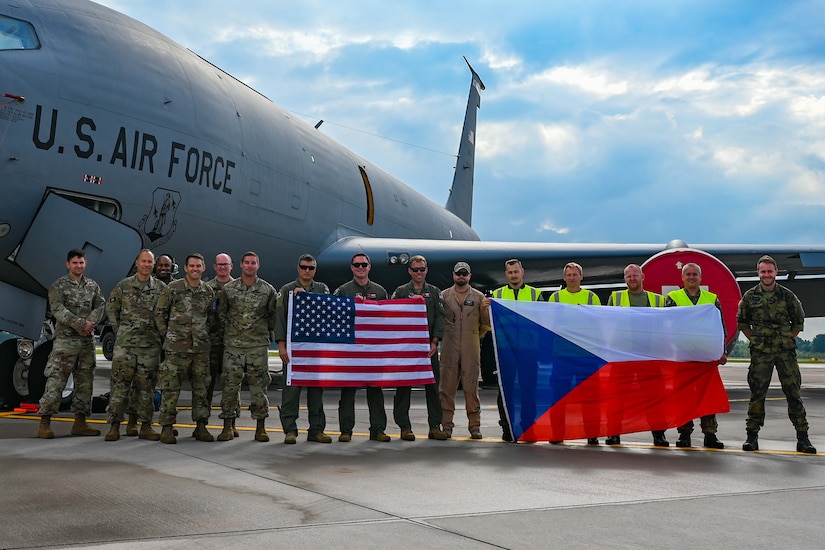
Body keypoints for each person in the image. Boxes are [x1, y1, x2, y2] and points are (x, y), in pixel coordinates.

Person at [737, 255, 816, 454]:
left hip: (785, 352)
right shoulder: (750, 297)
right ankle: (752, 436)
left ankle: (803, 437)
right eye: (763, 271)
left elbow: (798, 321)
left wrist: (786, 338)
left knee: (793, 393)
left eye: (769, 271)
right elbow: (743, 322)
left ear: (776, 272)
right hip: (761, 352)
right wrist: (755, 338)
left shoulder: (788, 296)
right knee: (757, 394)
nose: (766, 275)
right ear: (758, 273)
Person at [37, 248, 105, 439]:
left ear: (86, 264)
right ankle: (45, 422)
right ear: (68, 264)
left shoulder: (92, 286)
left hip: (86, 343)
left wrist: (90, 324)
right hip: (65, 343)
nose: (78, 266)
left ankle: (80, 423)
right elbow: (57, 309)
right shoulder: (58, 286)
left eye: (81, 262)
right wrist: (81, 324)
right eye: (75, 263)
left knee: (85, 383)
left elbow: (100, 305)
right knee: (56, 380)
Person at [103, 249, 166, 442]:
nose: (147, 265)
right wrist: (120, 329)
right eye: (144, 261)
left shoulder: (161, 288)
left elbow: (165, 313)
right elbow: (111, 308)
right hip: (126, 347)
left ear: (153, 265)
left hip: (149, 346)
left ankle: (144, 425)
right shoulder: (124, 285)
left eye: (150, 262)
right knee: (120, 386)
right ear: (137, 263)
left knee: (146, 388)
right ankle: (114, 426)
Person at [214, 252, 277, 442]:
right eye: (247, 263)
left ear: (258, 265)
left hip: (257, 346)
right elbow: (221, 314)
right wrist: (233, 332)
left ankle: (260, 427)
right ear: (240, 265)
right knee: (230, 387)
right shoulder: (229, 289)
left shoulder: (268, 290)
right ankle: (227, 426)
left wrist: (259, 333)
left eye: (253, 263)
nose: (250, 266)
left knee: (259, 388)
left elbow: (272, 317)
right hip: (234, 346)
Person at [605, 264, 669, 447]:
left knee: (654, 397)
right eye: (628, 276)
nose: (632, 279)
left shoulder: (658, 300)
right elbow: (606, 323)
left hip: (649, 357)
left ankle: (659, 434)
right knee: (617, 397)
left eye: (635, 276)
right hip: (622, 356)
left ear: (643, 276)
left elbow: (666, 328)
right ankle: (613, 433)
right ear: (624, 279)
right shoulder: (615, 298)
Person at [155, 253, 215, 444]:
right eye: (192, 266)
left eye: (198, 266)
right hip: (176, 349)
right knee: (171, 388)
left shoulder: (208, 292)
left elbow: (211, 318)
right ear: (186, 268)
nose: (195, 269)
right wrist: (169, 335)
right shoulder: (173, 289)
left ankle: (201, 426)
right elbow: (160, 314)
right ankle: (166, 427)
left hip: (200, 350)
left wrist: (203, 336)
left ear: (203, 268)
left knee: (202, 389)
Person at [665, 262, 726, 449]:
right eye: (688, 274)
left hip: (705, 358)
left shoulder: (712, 298)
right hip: (682, 357)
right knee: (683, 397)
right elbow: (667, 326)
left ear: (701, 278)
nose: (691, 277)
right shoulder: (672, 298)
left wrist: (722, 350)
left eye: (695, 274)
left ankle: (710, 435)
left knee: (707, 396)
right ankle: (684, 434)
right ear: (682, 278)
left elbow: (720, 327)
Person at [276, 254, 333, 444]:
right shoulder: (287, 290)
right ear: (298, 268)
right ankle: (290, 430)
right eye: (304, 267)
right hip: (294, 350)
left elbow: (328, 310)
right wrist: (281, 345)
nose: (307, 271)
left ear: (315, 270)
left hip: (315, 349)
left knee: (317, 392)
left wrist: (309, 297)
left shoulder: (322, 289)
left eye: (311, 268)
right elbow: (280, 319)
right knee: (291, 392)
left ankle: (316, 430)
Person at [334, 253, 391, 442]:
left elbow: (387, 319)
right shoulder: (343, 291)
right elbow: (335, 319)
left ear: (369, 267)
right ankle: (346, 430)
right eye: (357, 264)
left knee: (375, 390)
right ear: (351, 267)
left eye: (363, 264)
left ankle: (378, 429)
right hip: (351, 350)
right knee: (348, 391)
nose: (360, 267)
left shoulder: (380, 291)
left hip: (374, 350)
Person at [482, 258, 541, 442]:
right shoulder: (498, 295)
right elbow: (487, 322)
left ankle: (528, 427)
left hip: (528, 351)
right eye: (510, 272)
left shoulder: (535, 294)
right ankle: (507, 427)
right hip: (506, 352)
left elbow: (543, 322)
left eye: (516, 271)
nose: (513, 275)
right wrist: (485, 309)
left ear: (522, 272)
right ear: (506, 274)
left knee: (528, 391)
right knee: (505, 390)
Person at [391, 255, 448, 441]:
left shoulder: (434, 292)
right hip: (407, 350)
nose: (418, 273)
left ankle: (435, 426)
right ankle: (404, 427)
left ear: (426, 270)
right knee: (404, 387)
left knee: (433, 388)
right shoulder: (400, 292)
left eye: (421, 269)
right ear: (409, 271)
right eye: (415, 269)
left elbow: (441, 317)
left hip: (428, 348)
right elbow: (392, 316)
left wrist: (435, 341)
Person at [547, 262, 602, 444]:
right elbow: (548, 323)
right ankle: (557, 434)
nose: (572, 278)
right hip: (561, 355)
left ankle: (592, 434)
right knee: (558, 397)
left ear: (581, 277)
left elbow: (598, 324)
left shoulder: (591, 297)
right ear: (564, 277)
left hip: (585, 356)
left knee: (589, 398)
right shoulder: (555, 298)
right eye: (569, 275)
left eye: (575, 274)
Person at [440, 261, 490, 439]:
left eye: (464, 273)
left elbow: (487, 324)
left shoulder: (478, 297)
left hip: (471, 347)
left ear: (469, 276)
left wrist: (475, 336)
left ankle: (474, 426)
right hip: (449, 347)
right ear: (453, 275)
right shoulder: (444, 296)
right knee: (446, 388)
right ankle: (446, 426)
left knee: (471, 387)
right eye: (458, 273)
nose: (461, 276)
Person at [206, 252, 238, 436]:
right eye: (220, 265)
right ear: (215, 267)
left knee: (232, 386)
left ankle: (230, 424)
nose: (223, 267)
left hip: (231, 345)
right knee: (206, 384)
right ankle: (202, 424)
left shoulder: (238, 288)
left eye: (226, 264)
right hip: (211, 345)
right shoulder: (206, 288)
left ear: (231, 266)